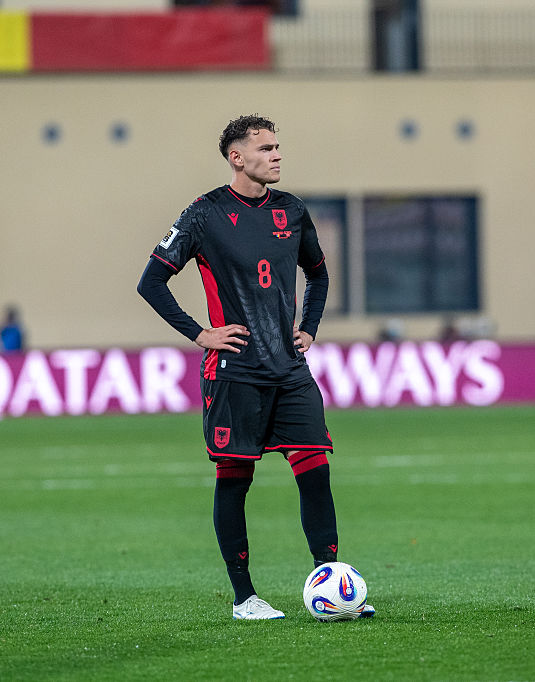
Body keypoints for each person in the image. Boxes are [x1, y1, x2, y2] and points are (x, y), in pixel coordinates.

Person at [137, 114, 373, 620]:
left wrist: (308, 327)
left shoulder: (292, 210)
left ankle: (331, 585)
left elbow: (319, 274)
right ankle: (245, 597)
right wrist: (201, 334)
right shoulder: (204, 214)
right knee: (234, 479)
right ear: (236, 157)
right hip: (235, 372)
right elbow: (151, 282)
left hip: (290, 371)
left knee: (316, 471)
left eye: (278, 147)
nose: (277, 155)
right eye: (265, 148)